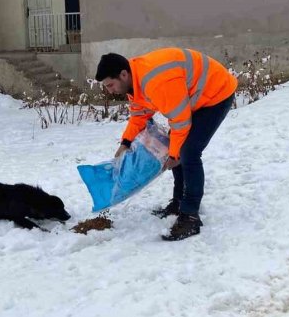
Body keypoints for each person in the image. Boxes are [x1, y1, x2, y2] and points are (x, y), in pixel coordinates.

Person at [95, 49, 237, 241]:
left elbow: (180, 122)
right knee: (175, 148)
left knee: (188, 152)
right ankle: (179, 202)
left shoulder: (155, 82)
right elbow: (139, 115)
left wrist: (174, 156)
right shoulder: (135, 82)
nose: (109, 91)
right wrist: (126, 143)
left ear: (123, 74)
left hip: (216, 94)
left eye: (110, 85)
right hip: (194, 99)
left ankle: (190, 216)